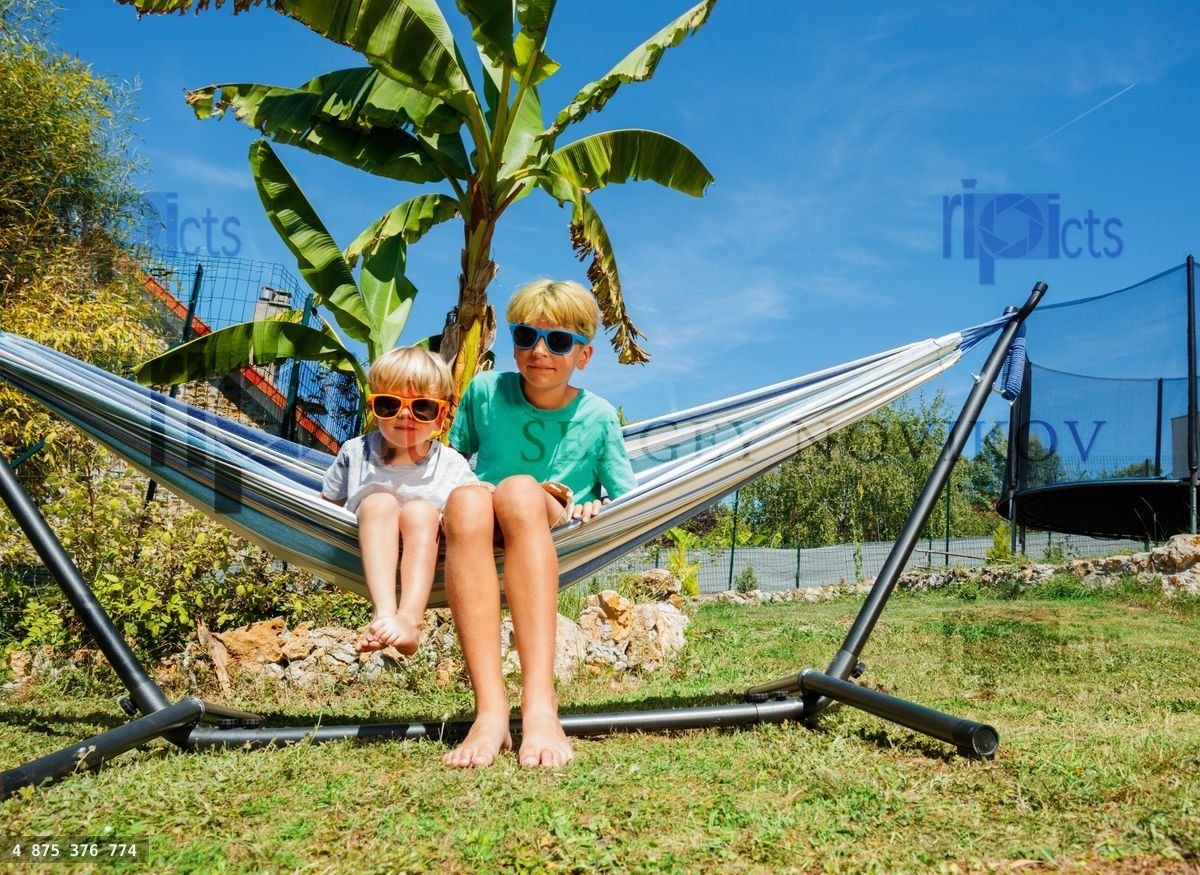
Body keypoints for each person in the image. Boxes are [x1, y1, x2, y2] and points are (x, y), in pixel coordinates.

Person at [441, 279, 638, 768]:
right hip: (481, 514)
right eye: (526, 337)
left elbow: (626, 494)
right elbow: (448, 461)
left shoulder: (595, 416)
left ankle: (539, 707)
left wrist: (598, 505)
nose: (540, 351)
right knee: (467, 500)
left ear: (583, 355)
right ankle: (489, 712)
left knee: (519, 490)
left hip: (547, 508)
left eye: (558, 341)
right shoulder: (485, 391)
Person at [321, 346, 477, 655]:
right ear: (373, 408)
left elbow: (476, 509)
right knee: (378, 503)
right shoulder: (355, 452)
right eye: (390, 404)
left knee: (421, 512)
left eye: (422, 408)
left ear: (441, 415)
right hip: (367, 545)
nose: (405, 415)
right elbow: (324, 509)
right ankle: (384, 613)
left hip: (427, 549)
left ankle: (410, 620)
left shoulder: (452, 465)